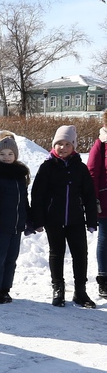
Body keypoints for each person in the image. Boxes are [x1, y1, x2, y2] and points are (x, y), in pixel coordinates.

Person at [31, 125, 98, 308]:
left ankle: (80, 291)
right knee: (56, 253)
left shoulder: (80, 168)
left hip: (75, 219)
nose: (63, 147)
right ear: (54, 145)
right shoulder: (47, 167)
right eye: (60, 143)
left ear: (73, 146)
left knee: (80, 254)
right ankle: (58, 289)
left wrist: (91, 220)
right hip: (53, 219)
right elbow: (37, 196)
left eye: (68, 144)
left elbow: (89, 195)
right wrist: (38, 220)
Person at [0, 132, 32, 304]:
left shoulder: (19, 174)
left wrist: (28, 219)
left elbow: (23, 200)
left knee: (11, 259)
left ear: (15, 155)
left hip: (16, 225)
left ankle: (4, 288)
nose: (6, 157)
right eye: (2, 154)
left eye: (10, 154)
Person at [85, 109, 107, 298]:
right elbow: (92, 173)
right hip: (105, 201)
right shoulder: (101, 144)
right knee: (105, 238)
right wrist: (94, 199)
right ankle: (104, 278)